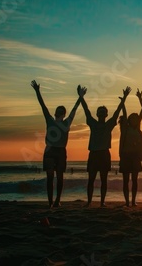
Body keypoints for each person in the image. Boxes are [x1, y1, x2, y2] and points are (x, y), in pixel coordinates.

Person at [31, 80, 86, 208]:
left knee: (60, 177)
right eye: (58, 109)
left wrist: (80, 97)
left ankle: (57, 201)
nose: (59, 111)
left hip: (61, 151)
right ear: (55, 112)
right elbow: (43, 106)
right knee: (50, 177)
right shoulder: (50, 120)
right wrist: (38, 91)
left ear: (63, 114)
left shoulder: (67, 123)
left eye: (61, 110)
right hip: (49, 151)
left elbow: (74, 109)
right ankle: (50, 202)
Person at [80, 86, 131, 207]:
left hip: (104, 154)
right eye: (100, 112)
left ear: (106, 114)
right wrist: (81, 97)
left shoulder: (109, 124)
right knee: (91, 179)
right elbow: (86, 110)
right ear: (97, 114)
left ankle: (102, 201)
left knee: (103, 179)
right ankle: (89, 201)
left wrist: (124, 98)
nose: (102, 113)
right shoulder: (92, 123)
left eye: (104, 112)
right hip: (93, 153)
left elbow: (117, 112)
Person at [118, 90, 142, 207]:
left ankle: (133, 201)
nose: (135, 119)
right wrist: (124, 98)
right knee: (126, 180)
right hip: (125, 156)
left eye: (136, 118)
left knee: (134, 180)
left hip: (135, 156)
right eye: (133, 118)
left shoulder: (137, 129)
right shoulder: (125, 128)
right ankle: (127, 201)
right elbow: (123, 112)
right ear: (129, 120)